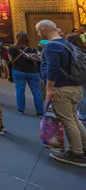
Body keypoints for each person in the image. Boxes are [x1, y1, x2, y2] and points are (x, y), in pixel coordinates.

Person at [37, 20, 86, 166]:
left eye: (39, 31)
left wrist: (49, 88)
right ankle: (83, 146)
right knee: (74, 119)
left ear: (44, 30)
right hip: (75, 87)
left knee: (68, 121)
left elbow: (53, 69)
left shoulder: (51, 47)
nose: (38, 34)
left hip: (61, 88)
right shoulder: (67, 44)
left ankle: (76, 152)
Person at [8, 31, 44, 116]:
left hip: (18, 70)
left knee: (20, 90)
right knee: (36, 91)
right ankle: (40, 111)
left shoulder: (12, 48)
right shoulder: (32, 48)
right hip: (33, 71)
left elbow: (10, 59)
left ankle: (21, 109)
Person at [66, 34, 86, 122]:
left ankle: (83, 115)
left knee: (82, 95)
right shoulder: (83, 48)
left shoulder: (71, 50)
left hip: (78, 74)